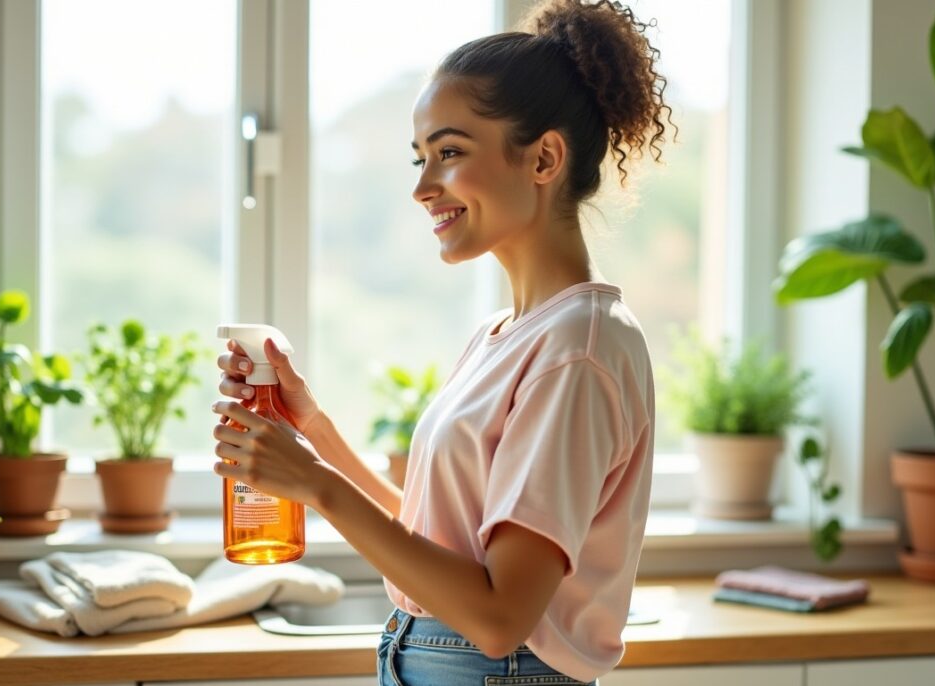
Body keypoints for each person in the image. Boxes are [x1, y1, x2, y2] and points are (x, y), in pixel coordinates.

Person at [212, 0, 672, 683]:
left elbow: (496, 617)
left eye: (449, 153)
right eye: (420, 158)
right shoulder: (508, 334)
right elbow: (442, 543)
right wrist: (313, 432)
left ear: (544, 157)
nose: (423, 187)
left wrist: (315, 485)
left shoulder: (579, 350)